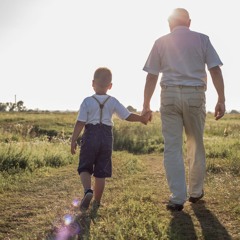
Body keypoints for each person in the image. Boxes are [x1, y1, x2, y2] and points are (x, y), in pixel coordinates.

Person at [141, 8, 225, 211]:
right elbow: (214, 69)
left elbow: (152, 76)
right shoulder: (202, 39)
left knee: (172, 147)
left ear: (169, 23)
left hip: (169, 95)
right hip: (195, 94)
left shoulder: (161, 42)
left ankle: (178, 198)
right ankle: (195, 193)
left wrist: (146, 105)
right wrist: (221, 99)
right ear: (189, 22)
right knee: (195, 144)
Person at [71, 67, 151, 212]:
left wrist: (73, 140)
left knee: (85, 166)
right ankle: (97, 201)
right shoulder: (113, 101)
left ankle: (88, 190)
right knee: (101, 171)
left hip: (90, 135)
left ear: (93, 83)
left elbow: (80, 122)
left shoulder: (87, 101)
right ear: (110, 86)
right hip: (107, 137)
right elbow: (127, 115)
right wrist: (142, 119)